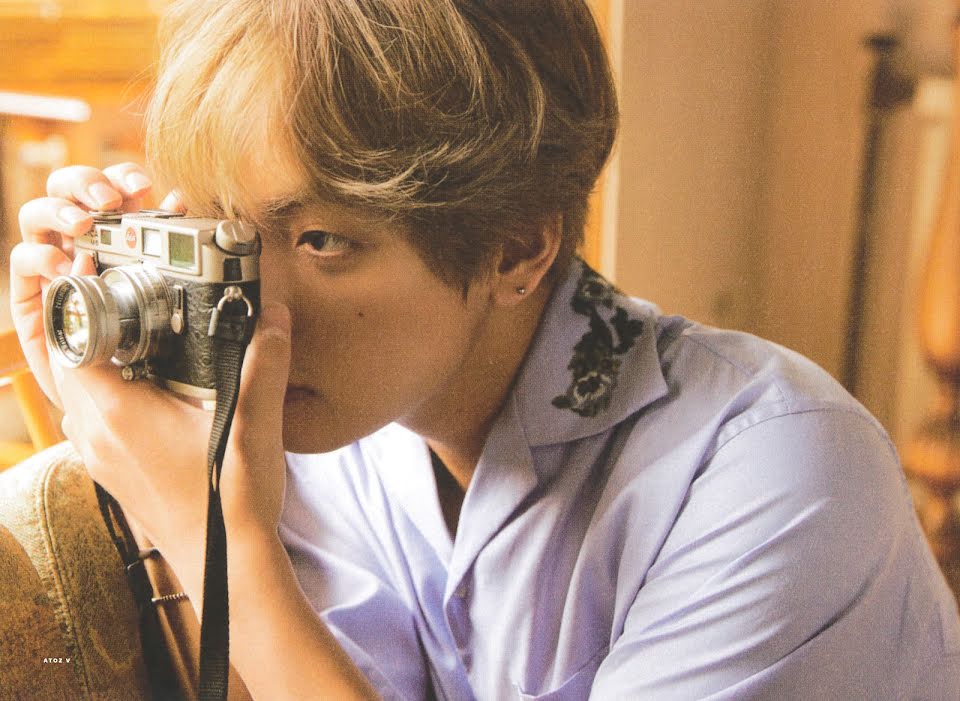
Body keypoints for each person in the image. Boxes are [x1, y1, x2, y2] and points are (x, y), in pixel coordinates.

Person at [10, 1, 960, 699]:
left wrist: (220, 540)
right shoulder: (323, 428)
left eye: (321, 241)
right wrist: (105, 389)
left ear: (516, 249)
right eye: (222, 233)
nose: (251, 310)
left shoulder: (777, 475)